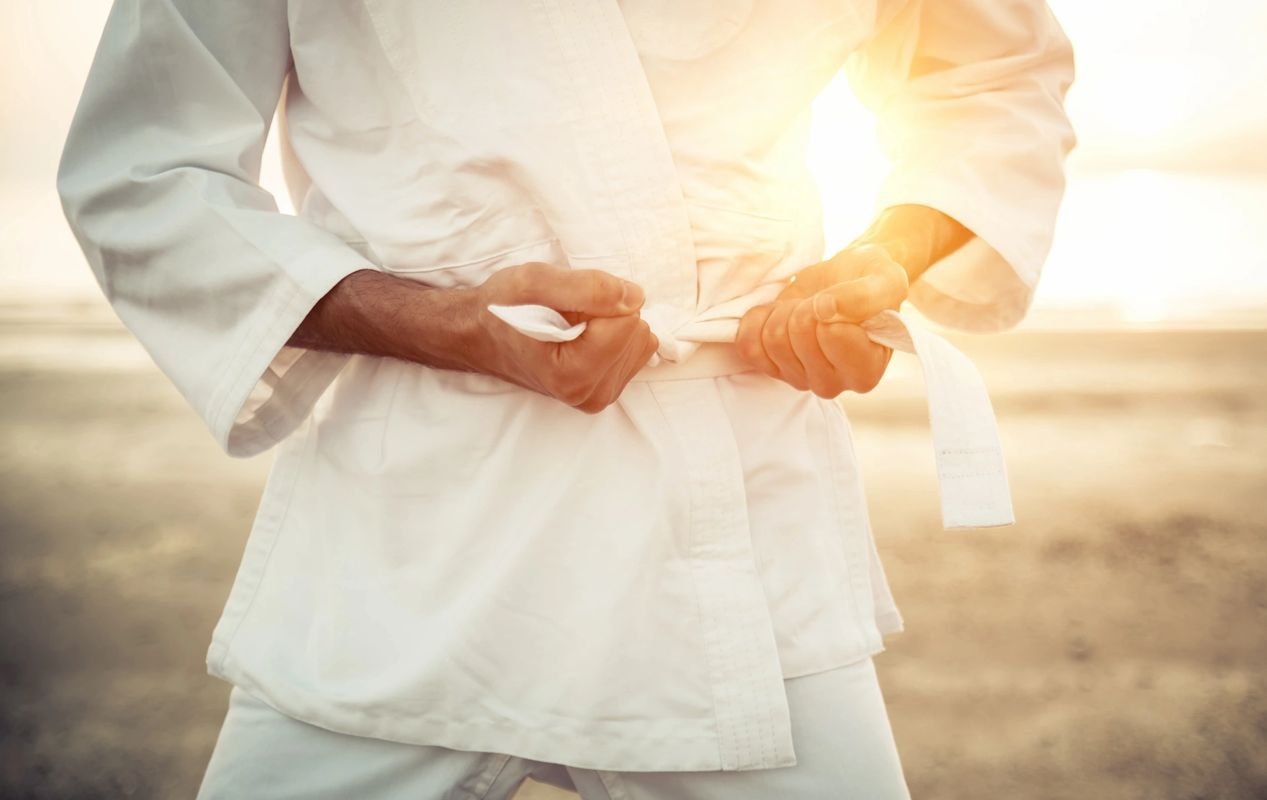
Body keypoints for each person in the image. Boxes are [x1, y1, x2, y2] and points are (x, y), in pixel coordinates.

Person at [57, 1, 1074, 797]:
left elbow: (993, 76)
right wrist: (444, 323)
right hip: (405, 546)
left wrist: (881, 260)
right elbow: (142, 171)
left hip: (738, 529)